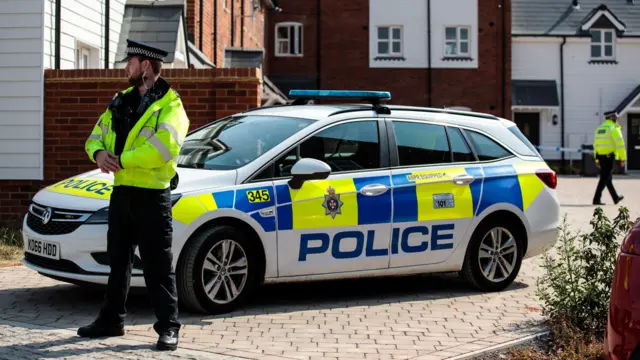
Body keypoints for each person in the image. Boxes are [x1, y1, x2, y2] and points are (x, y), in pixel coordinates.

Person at [77, 39, 190, 351]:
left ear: (146, 66)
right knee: (118, 262)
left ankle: (169, 327)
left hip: (152, 197)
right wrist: (98, 153)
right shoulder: (120, 101)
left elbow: (164, 149)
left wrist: (122, 160)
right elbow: (95, 135)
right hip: (122, 193)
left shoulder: (171, 106)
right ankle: (111, 321)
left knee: (157, 265)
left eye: (131, 61)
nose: (126, 66)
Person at [592, 111, 625, 206]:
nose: (616, 119)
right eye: (615, 117)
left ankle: (615, 198)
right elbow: (620, 144)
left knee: (607, 178)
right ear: (611, 118)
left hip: (601, 157)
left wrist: (596, 159)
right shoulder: (613, 128)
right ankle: (596, 199)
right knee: (605, 178)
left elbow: (596, 145)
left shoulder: (600, 129)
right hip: (609, 157)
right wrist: (623, 158)